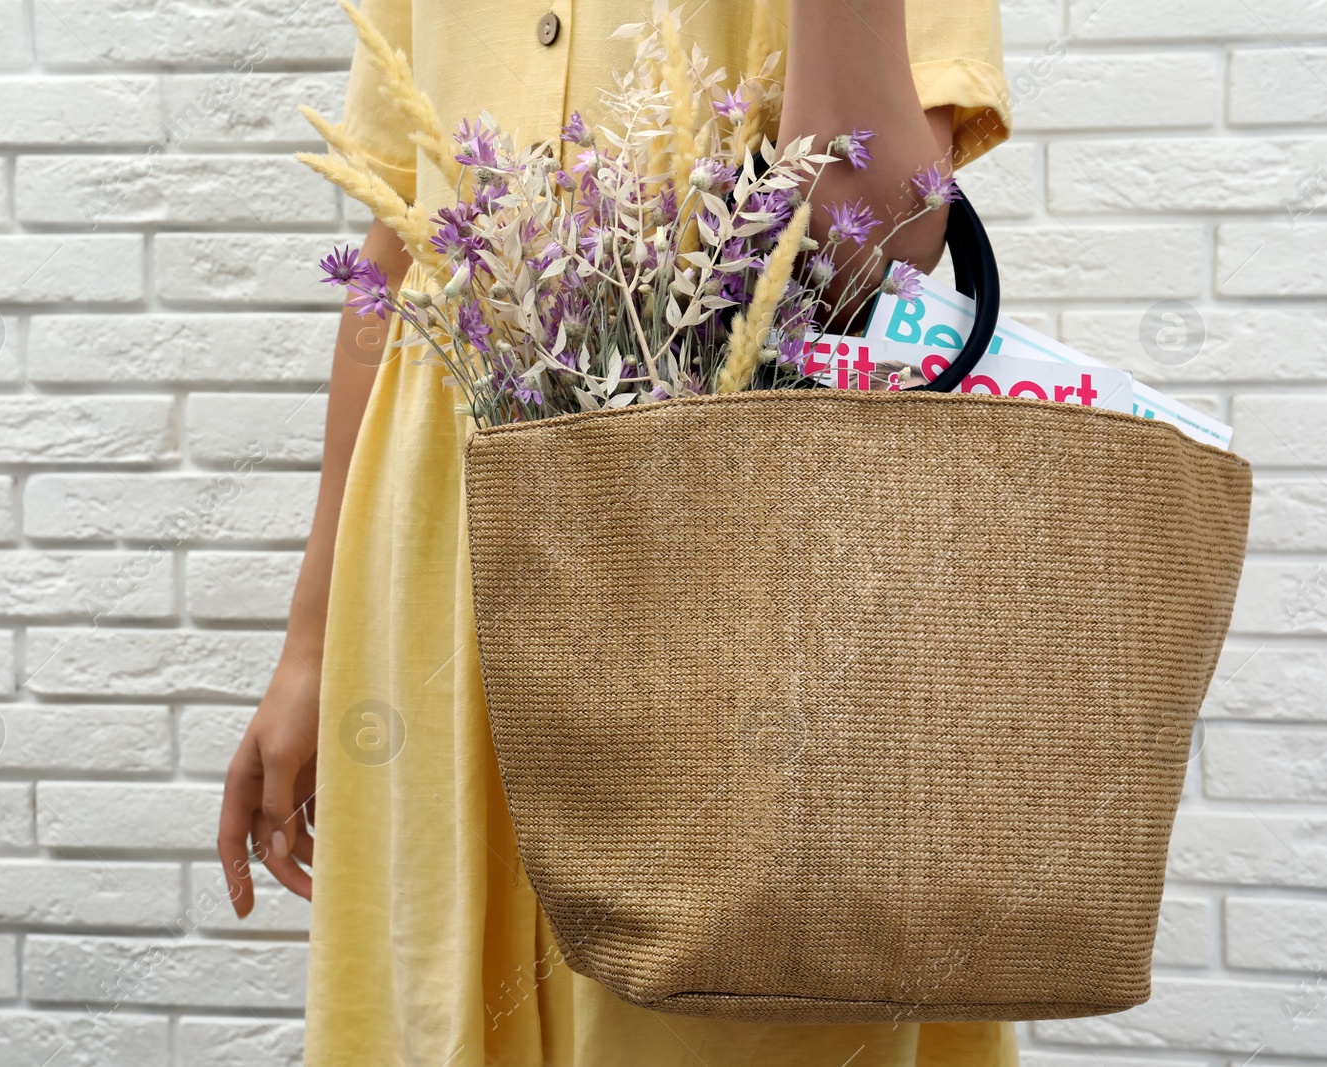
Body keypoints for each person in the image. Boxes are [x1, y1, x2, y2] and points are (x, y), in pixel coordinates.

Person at [219, 2, 1017, 1063]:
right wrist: (311, 644)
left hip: (730, 558)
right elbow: (398, 246)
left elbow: (876, 240)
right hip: (434, 560)